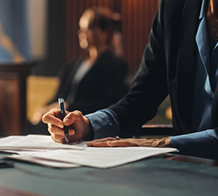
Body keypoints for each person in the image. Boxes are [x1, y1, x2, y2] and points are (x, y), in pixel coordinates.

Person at [42, 0, 218, 160]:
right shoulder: (173, 7)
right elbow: (141, 99)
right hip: (186, 168)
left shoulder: (113, 64)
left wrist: (161, 144)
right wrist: (88, 126)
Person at [30, 7, 129, 126]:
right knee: (31, 125)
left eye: (88, 29)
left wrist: (69, 106)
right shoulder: (72, 65)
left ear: (104, 33)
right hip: (62, 118)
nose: (81, 33)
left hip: (85, 122)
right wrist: (44, 109)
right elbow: (59, 96)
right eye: (81, 28)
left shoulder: (116, 65)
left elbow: (106, 102)